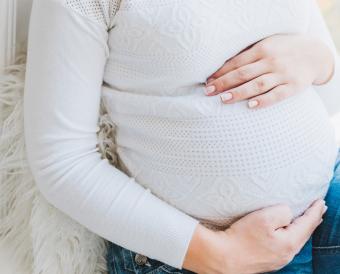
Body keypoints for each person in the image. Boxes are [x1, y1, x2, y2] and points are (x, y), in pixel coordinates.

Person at [23, 0, 340, 273]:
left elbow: (331, 97)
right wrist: (217, 255)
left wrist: (319, 60)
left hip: (327, 203)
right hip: (194, 255)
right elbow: (62, 162)